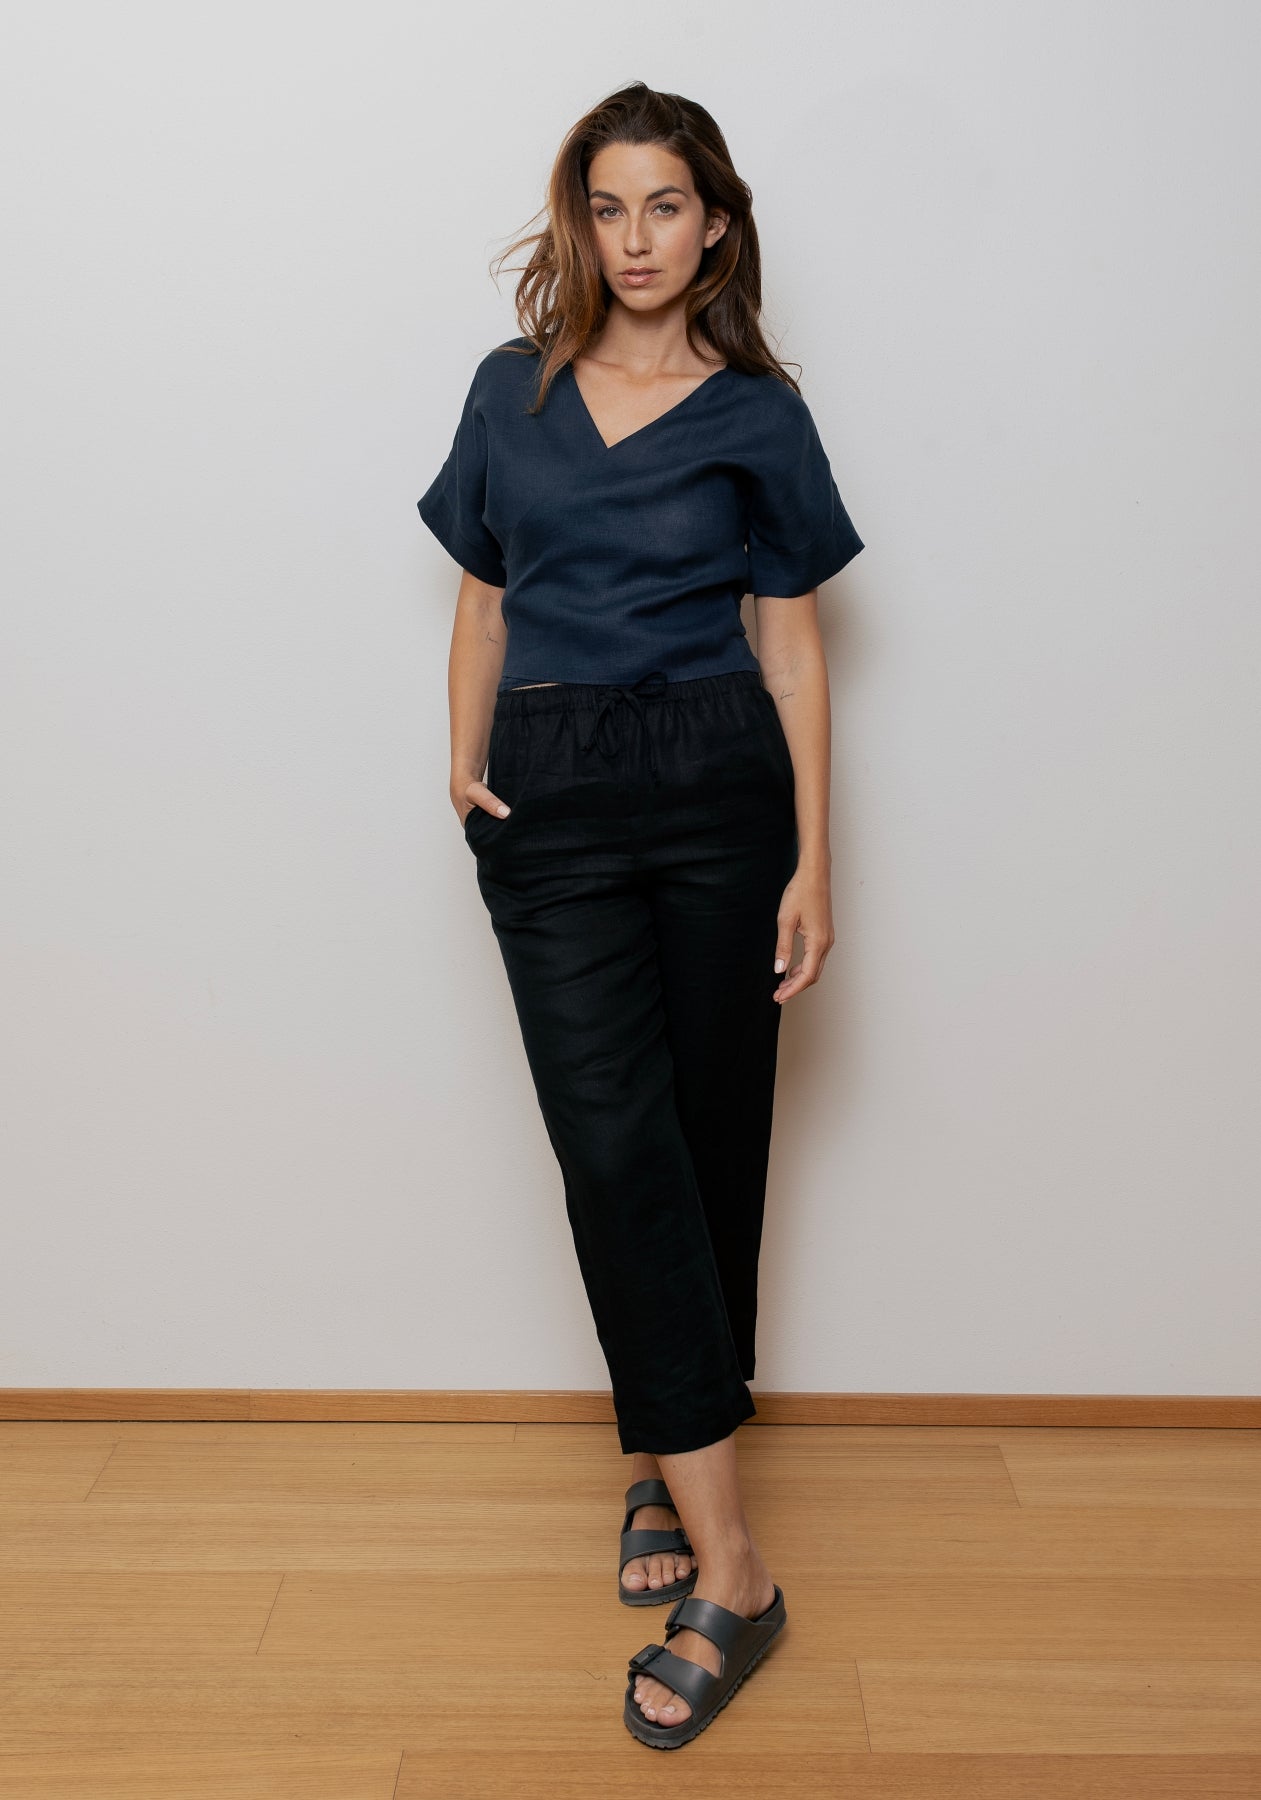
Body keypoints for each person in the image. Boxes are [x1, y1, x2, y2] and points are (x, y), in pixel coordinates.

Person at [416, 80, 864, 1750]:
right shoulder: (509, 391)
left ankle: (668, 1469)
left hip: (717, 784)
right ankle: (734, 1566)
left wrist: (815, 860)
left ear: (714, 222)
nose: (634, 238)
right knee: (613, 1145)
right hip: (552, 791)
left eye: (664, 205)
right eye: (606, 208)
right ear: (579, 224)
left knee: (705, 1135)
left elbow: (793, 647)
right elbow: (481, 598)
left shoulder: (757, 414)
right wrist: (462, 762)